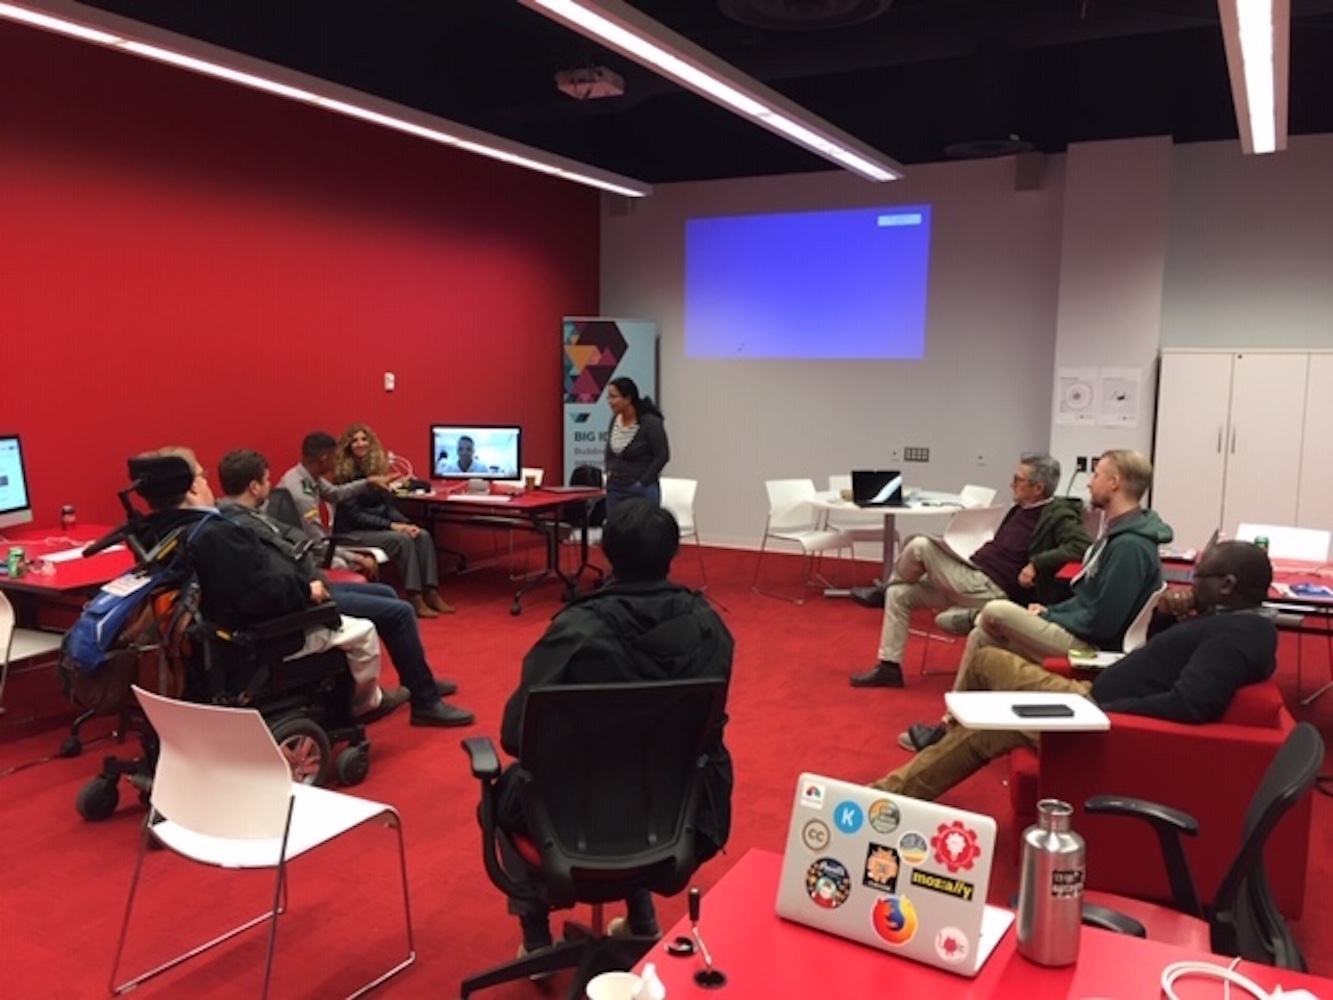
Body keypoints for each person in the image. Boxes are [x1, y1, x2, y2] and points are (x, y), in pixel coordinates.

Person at [497, 499, 733, 955]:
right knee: (639, 768)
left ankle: (536, 938)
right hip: (678, 809)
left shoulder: (575, 632)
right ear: (673, 553)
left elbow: (514, 736)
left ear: (608, 552)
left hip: (570, 812)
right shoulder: (711, 627)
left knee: (506, 790)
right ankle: (642, 921)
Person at [870, 540, 1277, 801]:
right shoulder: (1233, 623)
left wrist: (1103, 712)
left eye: (1198, 576)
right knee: (985, 660)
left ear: (1226, 585)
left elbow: (1190, 703)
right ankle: (946, 737)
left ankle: (884, 798)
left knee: (988, 727)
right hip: (1090, 698)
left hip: (1097, 718)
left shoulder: (1233, 637)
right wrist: (1175, 613)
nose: (1189, 580)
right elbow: (1166, 661)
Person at [899, 449, 1173, 751]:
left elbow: (1102, 621)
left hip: (1091, 647)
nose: (1088, 483)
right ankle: (952, 727)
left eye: (1096, 475)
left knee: (996, 610)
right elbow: (1086, 598)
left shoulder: (1129, 547)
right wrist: (1050, 610)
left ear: (1114, 483)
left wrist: (1049, 617)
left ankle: (975, 617)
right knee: (982, 635)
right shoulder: (1121, 533)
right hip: (1080, 630)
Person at [138, 447, 407, 722]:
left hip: (215, 635)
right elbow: (262, 592)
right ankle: (363, 705)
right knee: (364, 630)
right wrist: (306, 590)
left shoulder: (153, 532)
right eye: (202, 474)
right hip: (262, 634)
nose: (207, 480)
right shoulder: (217, 534)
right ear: (192, 486)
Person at [218, 449, 475, 728]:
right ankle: (425, 701)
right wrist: (314, 581)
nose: (271, 485)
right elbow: (290, 554)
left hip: (307, 586)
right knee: (399, 612)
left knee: (388, 595)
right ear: (254, 486)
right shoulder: (244, 526)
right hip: (303, 600)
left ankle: (418, 679)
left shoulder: (235, 516)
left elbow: (295, 543)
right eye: (267, 480)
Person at [849, 453, 1091, 689]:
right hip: (972, 576)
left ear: (1037, 488)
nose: (1011, 484)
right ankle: (889, 668)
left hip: (990, 587)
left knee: (919, 545)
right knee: (900, 594)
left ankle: (884, 589)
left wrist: (1036, 564)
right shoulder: (1021, 509)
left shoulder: (1059, 514)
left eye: (1018, 479)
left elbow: (1081, 545)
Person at [332, 422, 453, 618]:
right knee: (402, 540)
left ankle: (431, 592)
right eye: (355, 441)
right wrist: (393, 527)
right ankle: (415, 597)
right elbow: (356, 516)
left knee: (421, 535)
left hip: (378, 529)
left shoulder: (377, 471)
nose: (360, 444)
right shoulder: (343, 477)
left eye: (364, 439)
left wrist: (406, 524)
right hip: (352, 532)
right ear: (347, 446)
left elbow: (388, 507)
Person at [277, 430, 390, 577]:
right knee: (342, 564)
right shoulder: (302, 495)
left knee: (347, 560)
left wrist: (368, 482)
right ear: (324, 459)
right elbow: (317, 543)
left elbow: (335, 494)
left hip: (305, 545)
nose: (336, 462)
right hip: (298, 554)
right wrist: (357, 558)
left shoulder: (306, 476)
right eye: (334, 457)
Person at [603, 377, 669, 513]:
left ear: (628, 398)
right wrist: (609, 472)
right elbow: (609, 451)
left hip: (641, 489)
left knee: (642, 530)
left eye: (613, 397)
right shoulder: (615, 420)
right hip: (615, 488)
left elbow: (662, 455)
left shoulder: (650, 423)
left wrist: (643, 482)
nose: (610, 402)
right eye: (608, 397)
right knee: (616, 530)